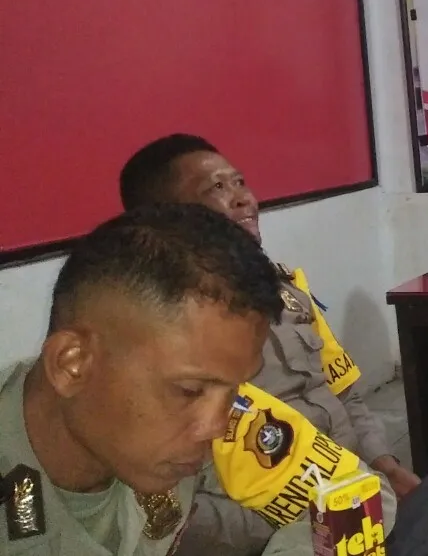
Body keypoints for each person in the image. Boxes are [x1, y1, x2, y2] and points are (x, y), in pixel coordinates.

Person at [118, 135, 411, 556]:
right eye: (217, 188)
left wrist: (385, 465)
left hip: (352, 487)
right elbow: (175, 508)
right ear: (163, 220)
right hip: (276, 524)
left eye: (239, 182)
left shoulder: (287, 291)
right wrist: (305, 521)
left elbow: (343, 393)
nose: (243, 199)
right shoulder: (157, 334)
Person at [0, 204, 281, 554]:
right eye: (189, 391)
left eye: (236, 389)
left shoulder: (187, 423)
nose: (218, 428)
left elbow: (328, 496)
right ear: (72, 365)